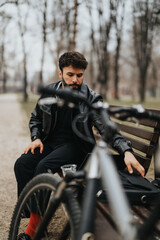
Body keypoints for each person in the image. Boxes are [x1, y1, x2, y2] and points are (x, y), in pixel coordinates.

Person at [14, 51, 145, 240]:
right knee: (22, 164)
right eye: (70, 74)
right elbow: (36, 118)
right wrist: (36, 137)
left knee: (44, 166)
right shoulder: (50, 91)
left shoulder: (91, 98)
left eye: (79, 75)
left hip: (76, 148)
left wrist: (126, 151)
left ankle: (34, 230)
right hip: (50, 144)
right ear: (60, 73)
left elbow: (107, 127)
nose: (75, 79)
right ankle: (37, 215)